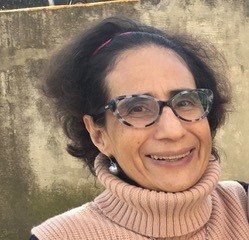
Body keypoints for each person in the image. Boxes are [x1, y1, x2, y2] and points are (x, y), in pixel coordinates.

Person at [30, 17, 249, 239]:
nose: (173, 131)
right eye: (137, 108)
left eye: (184, 102)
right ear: (99, 135)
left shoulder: (242, 206)